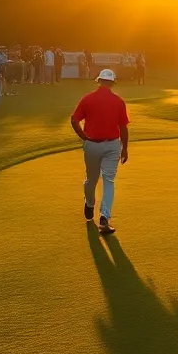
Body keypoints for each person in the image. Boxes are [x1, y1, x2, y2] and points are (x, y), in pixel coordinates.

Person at [70, 69, 131, 236]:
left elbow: (74, 119)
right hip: (113, 145)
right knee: (108, 180)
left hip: (93, 145)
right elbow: (123, 127)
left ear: (99, 81)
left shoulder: (88, 99)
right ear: (111, 83)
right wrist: (125, 148)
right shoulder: (118, 101)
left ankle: (93, 206)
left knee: (93, 179)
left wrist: (83, 136)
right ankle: (103, 215)